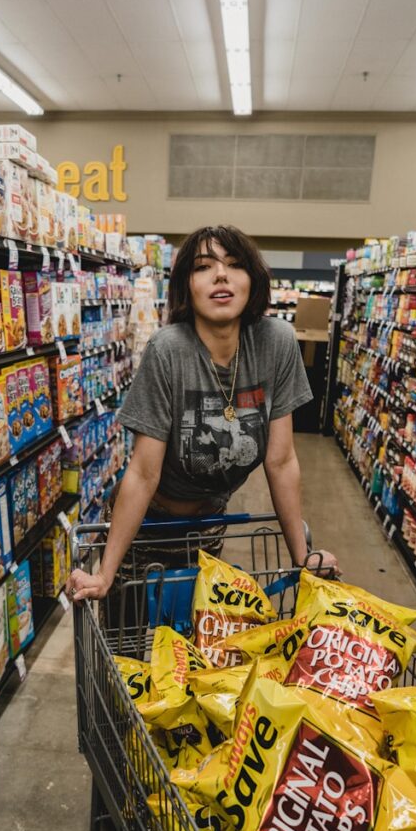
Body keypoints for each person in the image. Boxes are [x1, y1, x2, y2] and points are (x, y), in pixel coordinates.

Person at [67, 224, 340, 605]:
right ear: (186, 286)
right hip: (146, 527)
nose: (221, 275)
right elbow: (144, 473)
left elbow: (280, 460)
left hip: (210, 524)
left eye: (234, 264)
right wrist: (105, 572)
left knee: (198, 645)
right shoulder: (168, 350)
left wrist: (302, 557)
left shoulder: (276, 343)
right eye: (203, 267)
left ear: (253, 280)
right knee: (127, 653)